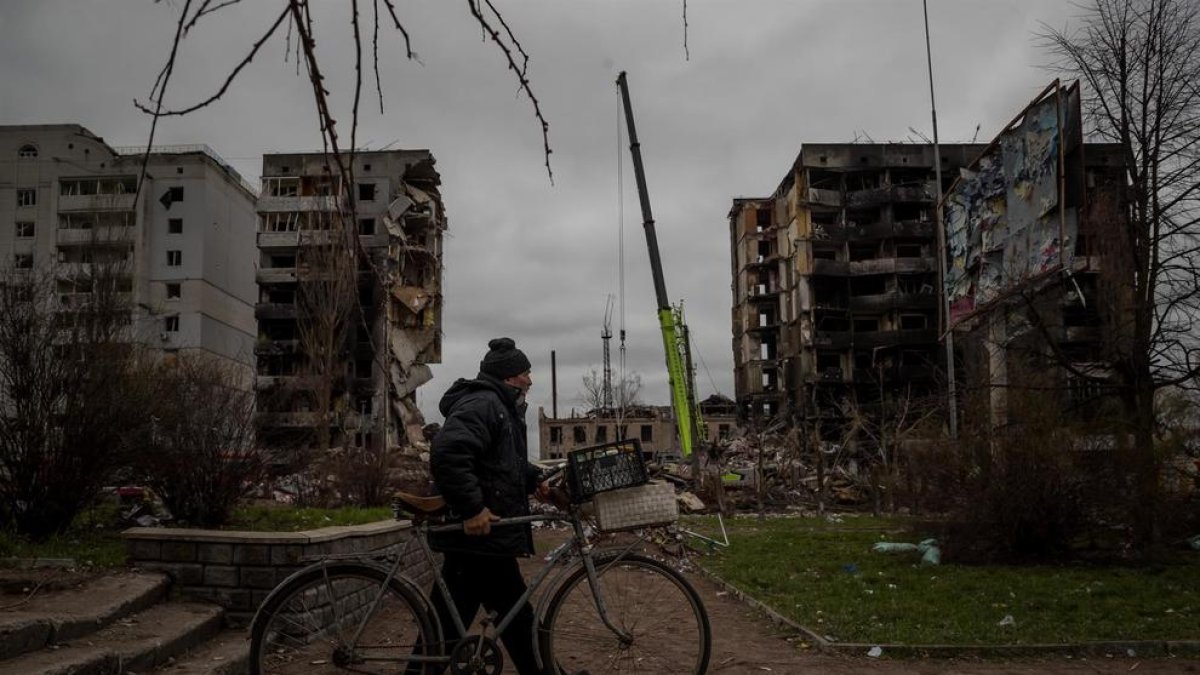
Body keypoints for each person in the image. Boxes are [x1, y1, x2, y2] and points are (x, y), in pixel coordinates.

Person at [426, 337, 549, 675]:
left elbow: (502, 465)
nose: (530, 379)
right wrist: (472, 509)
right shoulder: (484, 404)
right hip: (481, 537)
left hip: (485, 540)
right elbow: (448, 453)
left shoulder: (498, 408)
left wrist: (536, 478)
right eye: (526, 372)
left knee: (445, 632)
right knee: (517, 619)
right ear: (510, 377)